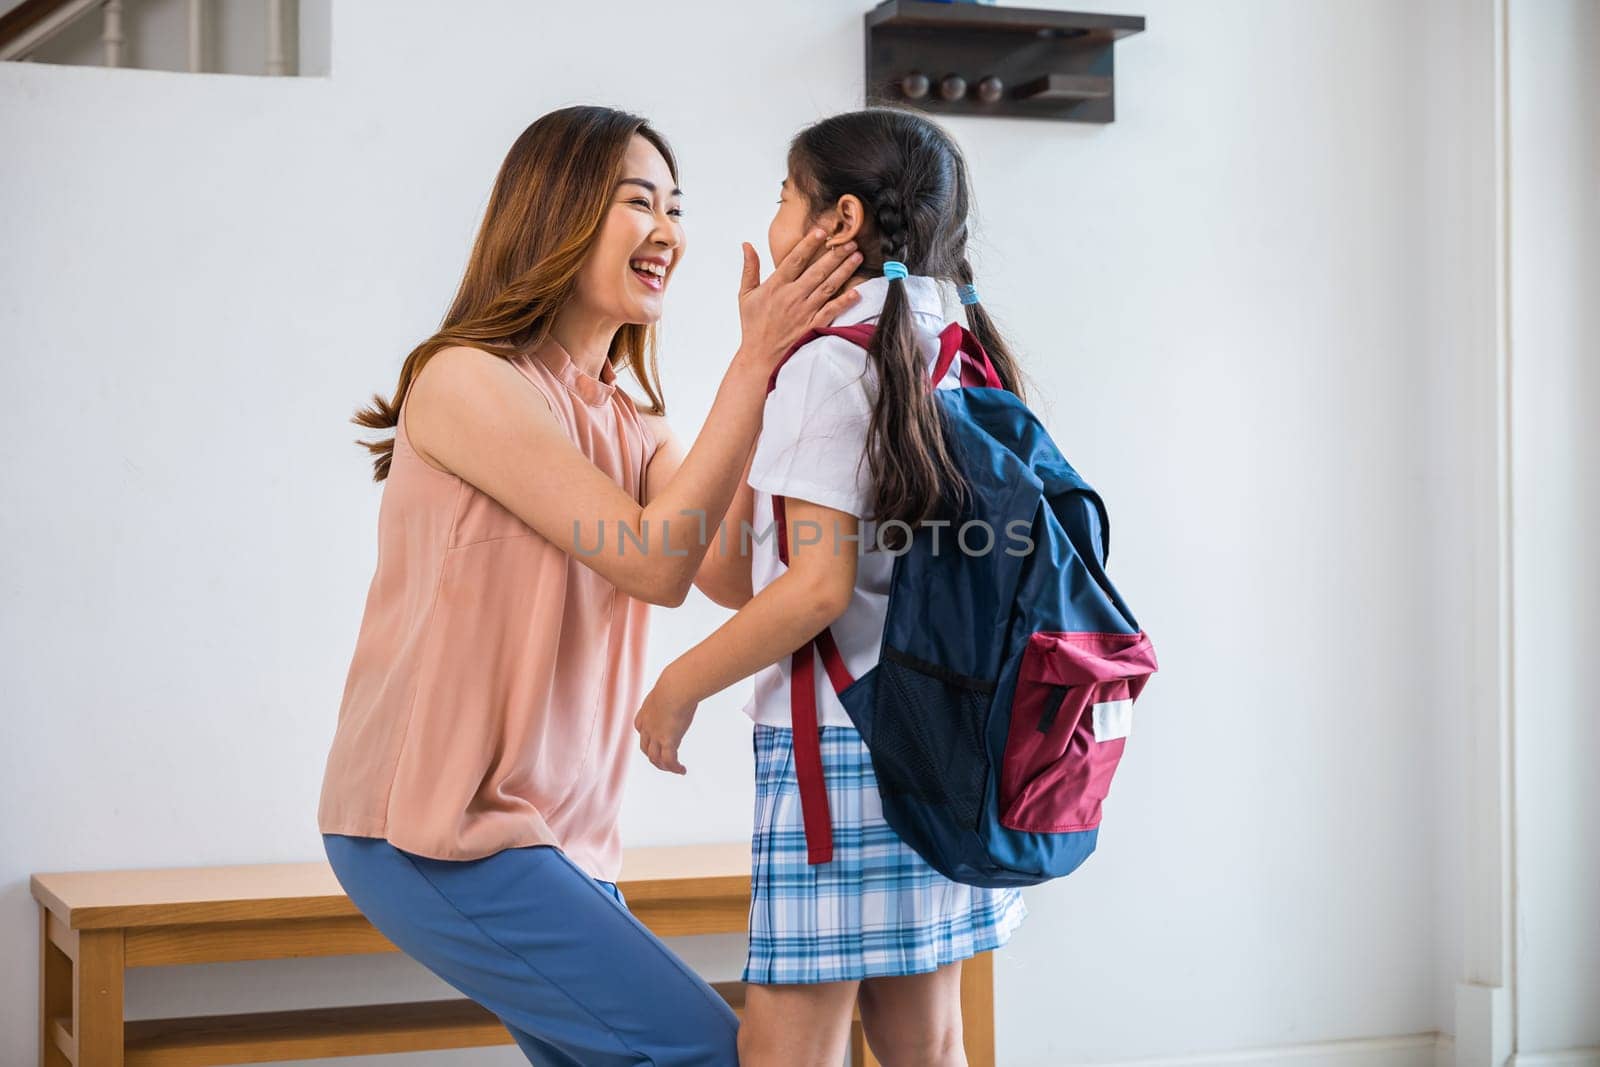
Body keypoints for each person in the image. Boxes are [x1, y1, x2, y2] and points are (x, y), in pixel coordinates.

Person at [316, 104, 863, 1067]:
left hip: (558, 845)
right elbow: (651, 561)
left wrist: (785, 374)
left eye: (677, 207)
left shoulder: (637, 425)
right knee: (712, 1053)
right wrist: (753, 358)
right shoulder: (466, 383)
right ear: (558, 212)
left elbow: (730, 574)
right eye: (639, 201)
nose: (670, 231)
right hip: (435, 830)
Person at [635, 108, 1030, 1067]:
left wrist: (677, 686)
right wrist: (757, 371)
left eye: (784, 196)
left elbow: (814, 590)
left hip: (841, 757)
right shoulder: (951, 336)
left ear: (839, 219)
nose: (773, 217)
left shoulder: (831, 364)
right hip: (950, 738)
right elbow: (741, 576)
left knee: (788, 1050)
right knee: (926, 1041)